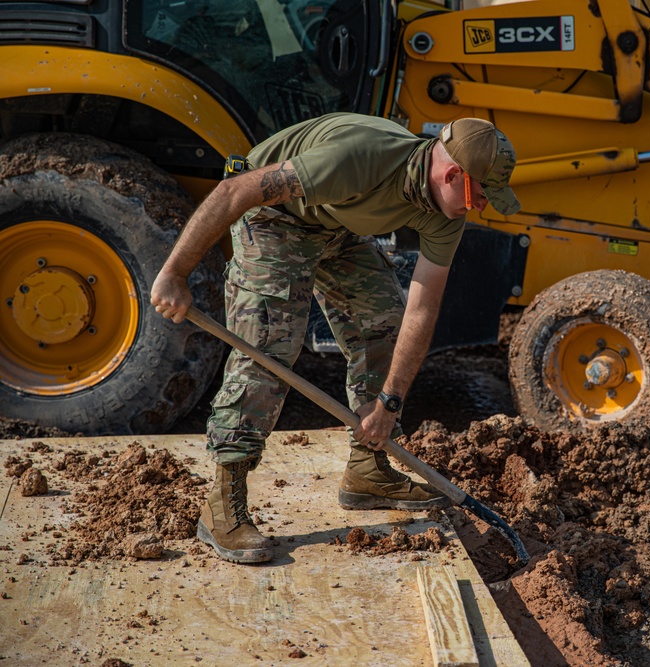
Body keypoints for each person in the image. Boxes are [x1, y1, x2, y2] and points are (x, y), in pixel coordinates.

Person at [150, 113, 519, 564]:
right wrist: (174, 273)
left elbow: (422, 308)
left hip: (335, 226)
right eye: (481, 195)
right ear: (453, 174)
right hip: (274, 217)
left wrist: (389, 403)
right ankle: (223, 504)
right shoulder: (357, 158)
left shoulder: (446, 210)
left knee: (382, 323)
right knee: (270, 350)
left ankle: (368, 470)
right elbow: (234, 192)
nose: (481, 206)